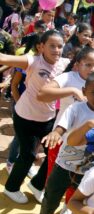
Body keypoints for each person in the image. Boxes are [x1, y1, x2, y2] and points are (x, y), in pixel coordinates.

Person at [1, 30, 70, 204]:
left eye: (60, 46)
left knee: (53, 154)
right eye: (52, 46)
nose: (56, 50)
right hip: (25, 117)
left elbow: (87, 66)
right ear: (41, 47)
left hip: (48, 119)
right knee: (28, 155)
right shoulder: (33, 61)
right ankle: (11, 188)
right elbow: (4, 58)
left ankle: (37, 184)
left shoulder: (65, 63)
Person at [39, 73, 94, 214]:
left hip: (87, 168)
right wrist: (55, 133)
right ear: (84, 91)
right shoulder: (76, 108)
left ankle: (68, 213)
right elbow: (62, 126)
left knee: (79, 201)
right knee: (51, 198)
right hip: (65, 164)